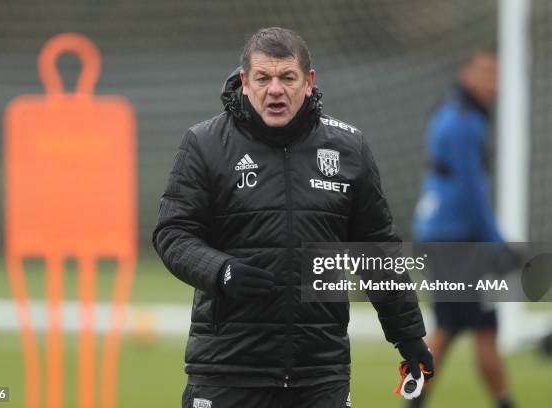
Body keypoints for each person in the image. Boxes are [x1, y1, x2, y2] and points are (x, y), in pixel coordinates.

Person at [154, 27, 433, 408]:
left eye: (287, 77)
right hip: (228, 370)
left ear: (308, 81)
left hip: (320, 373)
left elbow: (376, 251)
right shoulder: (204, 144)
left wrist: (409, 336)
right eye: (263, 78)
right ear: (245, 82)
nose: (275, 89)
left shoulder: (348, 148)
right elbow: (173, 233)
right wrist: (221, 271)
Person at [413, 50, 514, 408]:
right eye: (486, 72)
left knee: (458, 327)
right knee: (466, 327)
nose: (494, 82)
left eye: (497, 74)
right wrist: (496, 242)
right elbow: (471, 190)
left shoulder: (450, 111)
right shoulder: (464, 120)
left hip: (441, 236)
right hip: (457, 240)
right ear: (466, 73)